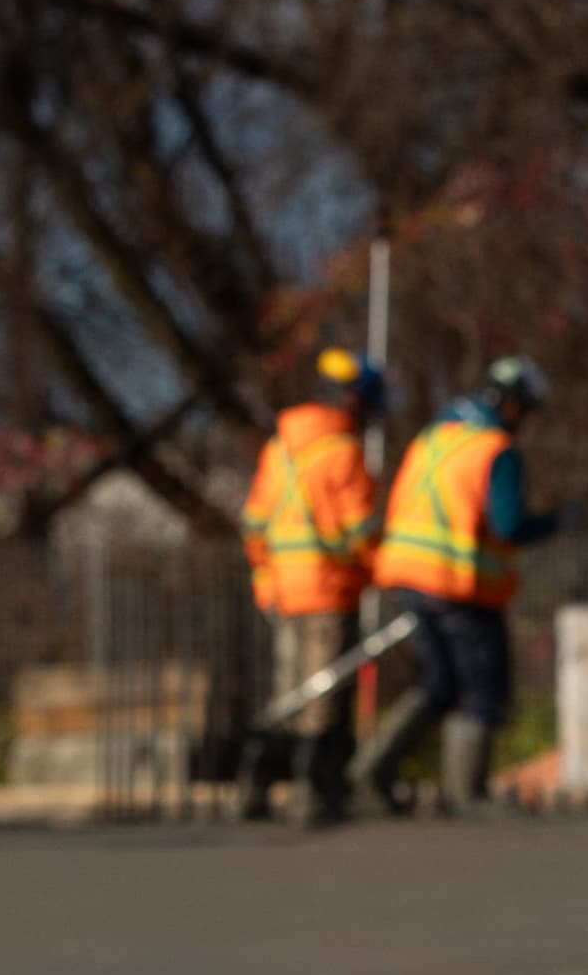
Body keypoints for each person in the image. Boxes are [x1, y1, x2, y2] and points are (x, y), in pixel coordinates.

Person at [363, 354, 557, 813]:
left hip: (408, 576)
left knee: (440, 686)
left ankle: (371, 772)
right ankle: (465, 793)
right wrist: (553, 523)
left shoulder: (433, 438)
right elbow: (507, 525)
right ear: (513, 406)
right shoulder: (496, 450)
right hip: (458, 582)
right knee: (483, 689)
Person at [236, 349, 386, 822]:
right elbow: (360, 530)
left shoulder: (278, 448)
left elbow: (255, 525)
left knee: (290, 692)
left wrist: (266, 578)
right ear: (353, 401)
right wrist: (381, 571)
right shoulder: (343, 452)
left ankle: (256, 781)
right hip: (329, 589)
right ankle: (313, 789)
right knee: (324, 694)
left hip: (284, 590)